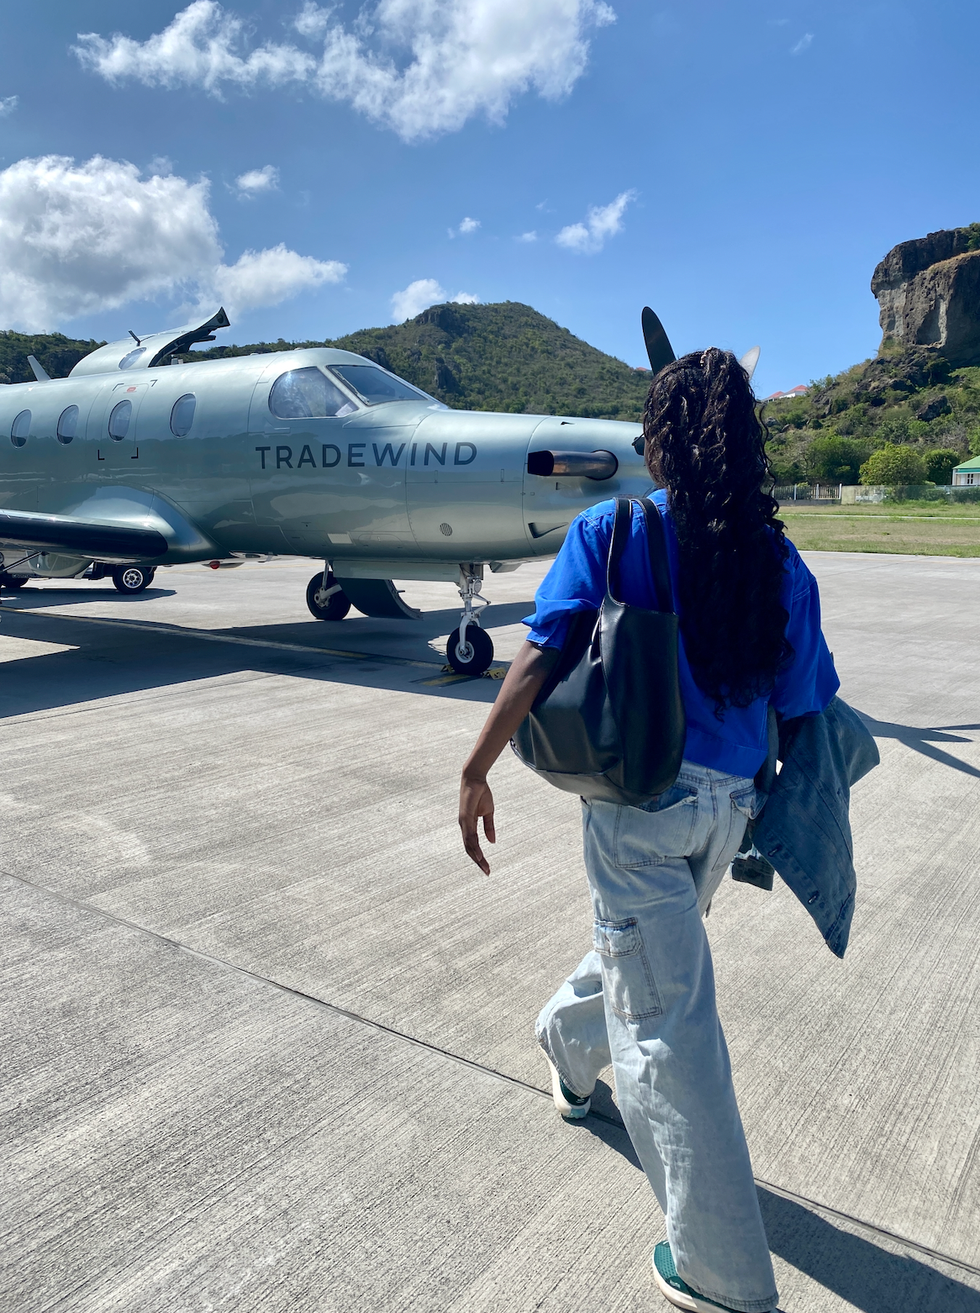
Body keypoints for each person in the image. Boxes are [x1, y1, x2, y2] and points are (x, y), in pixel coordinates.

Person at [458, 348, 840, 1313]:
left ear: (662, 439)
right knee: (645, 963)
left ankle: (721, 1272)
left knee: (666, 1025)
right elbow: (805, 709)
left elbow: (540, 658)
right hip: (730, 810)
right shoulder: (781, 558)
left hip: (639, 806)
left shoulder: (613, 527)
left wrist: (477, 764)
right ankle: (564, 1046)